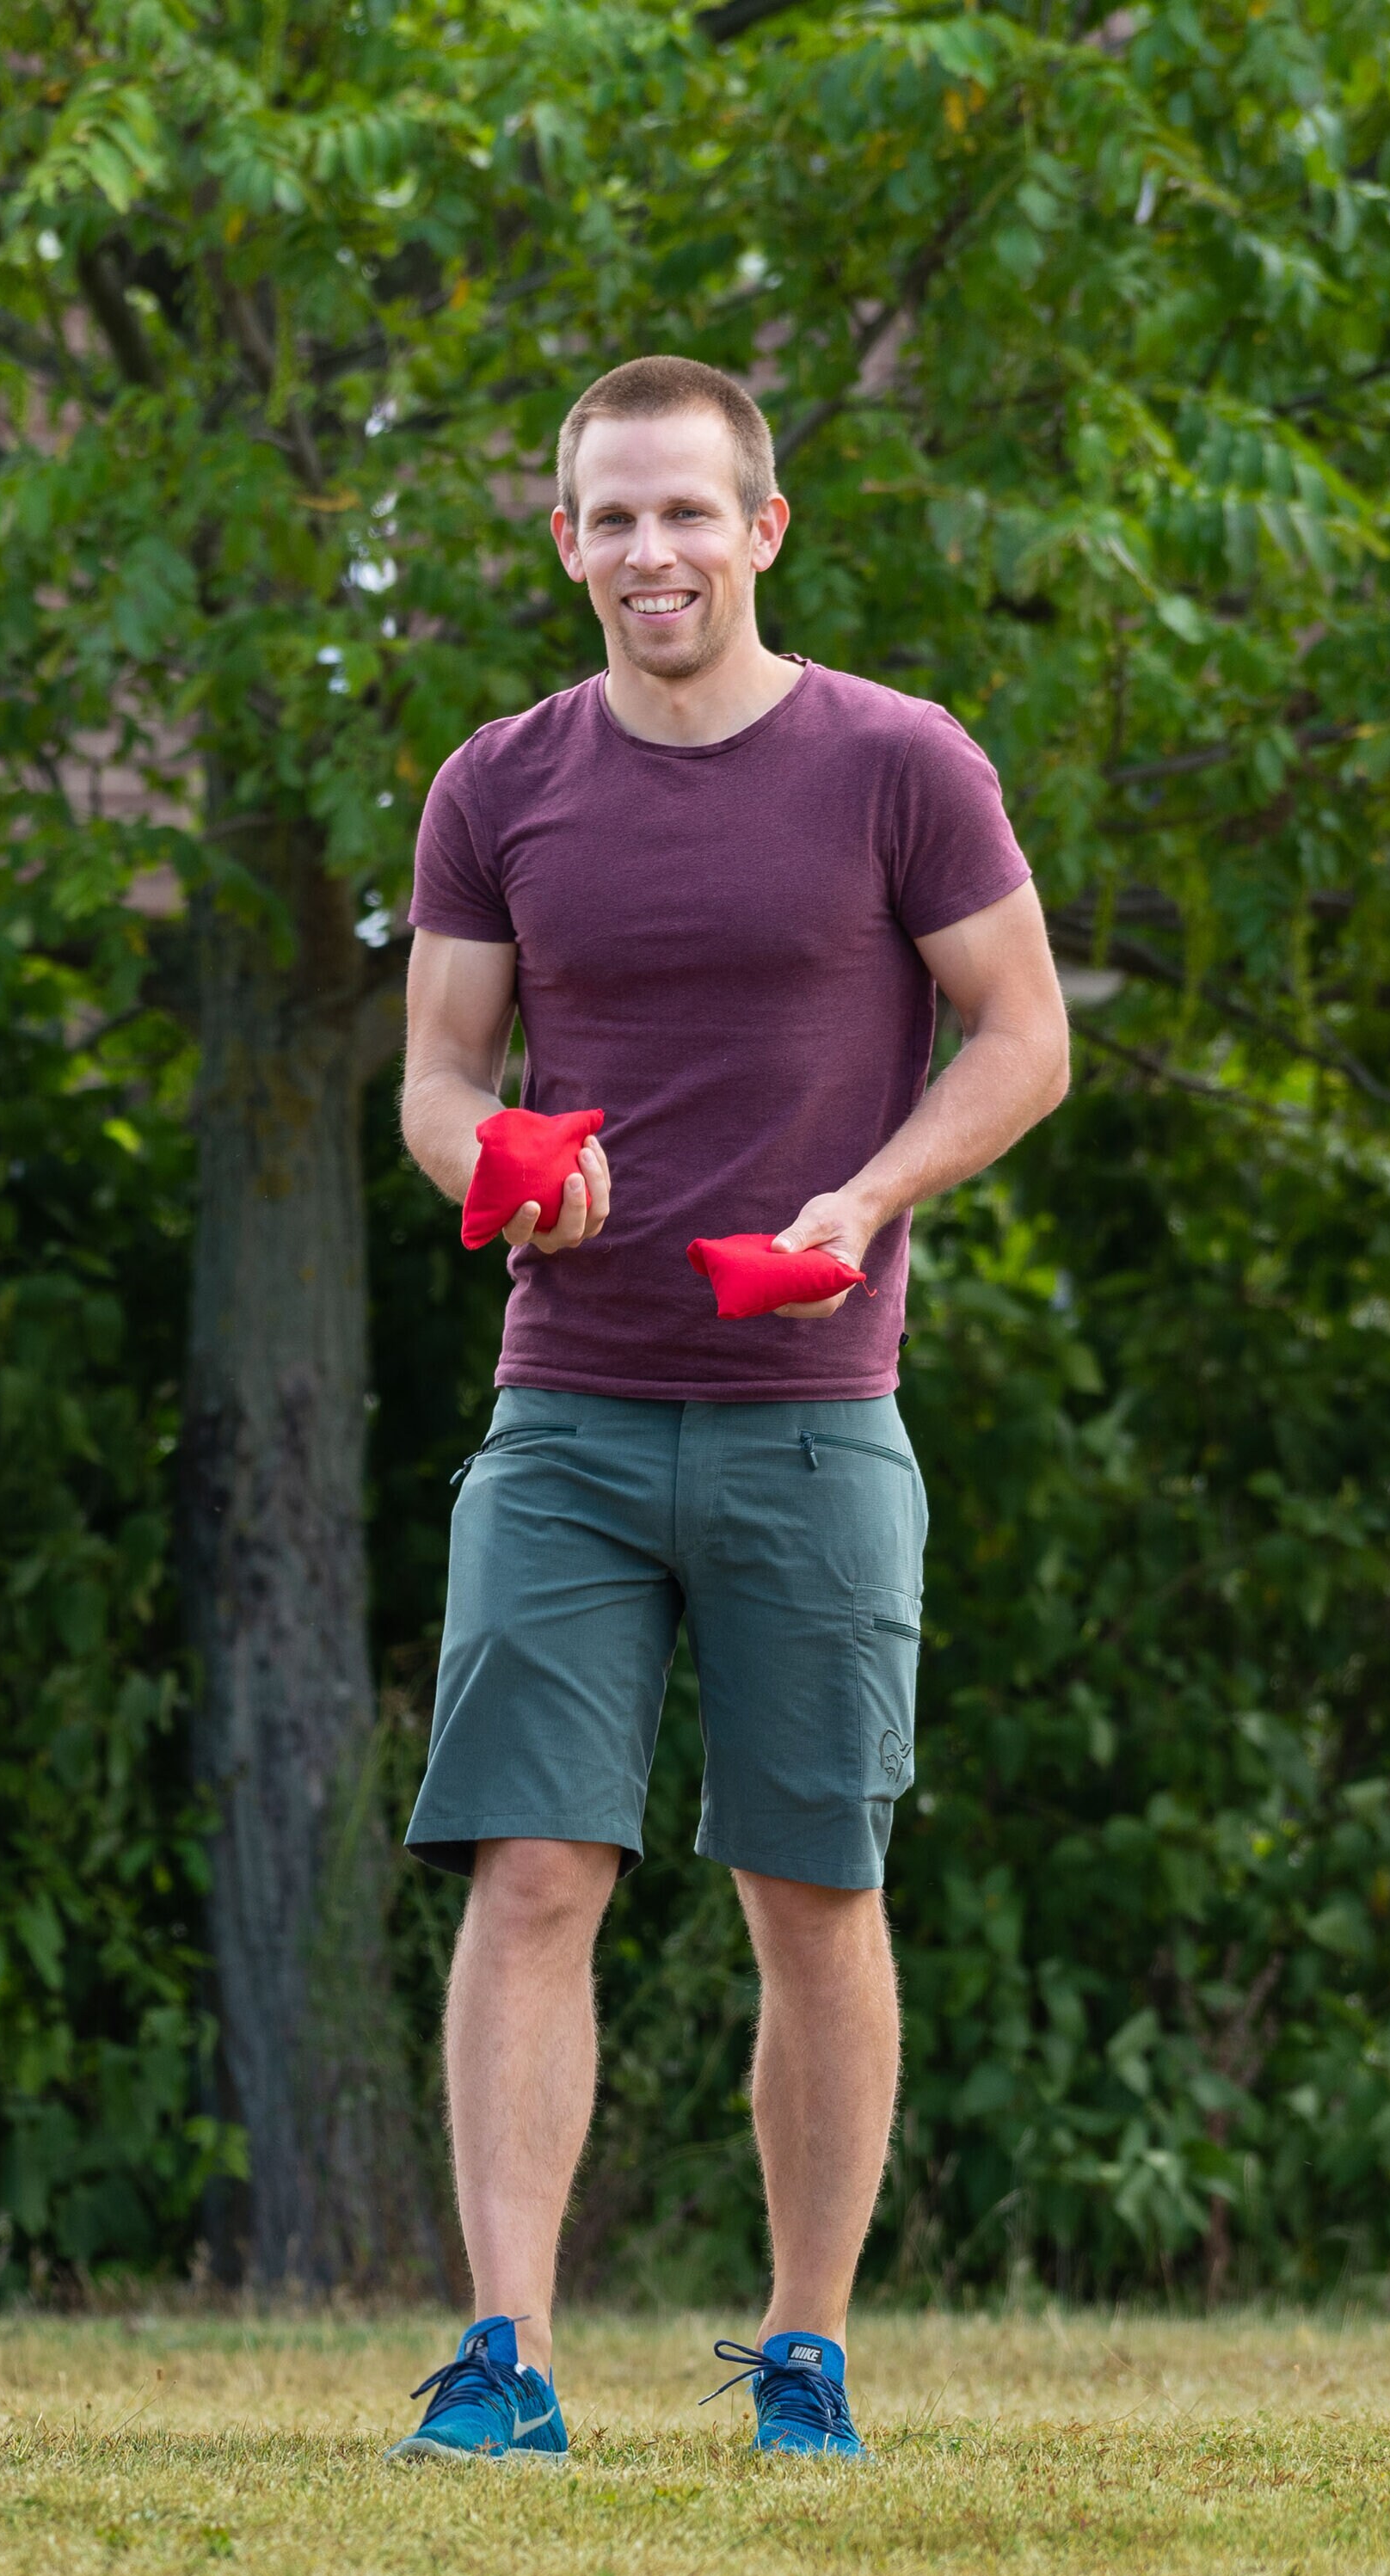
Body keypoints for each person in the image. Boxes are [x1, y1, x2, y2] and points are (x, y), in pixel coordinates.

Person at [388, 357, 1075, 2462]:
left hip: (811, 1412)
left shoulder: (897, 763)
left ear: (760, 530)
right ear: (564, 541)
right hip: (569, 1411)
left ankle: (804, 2354)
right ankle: (504, 2359)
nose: (647, 553)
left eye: (686, 514)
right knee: (531, 1874)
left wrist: (866, 1196)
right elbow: (433, 1079)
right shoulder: (499, 784)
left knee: (812, 1887)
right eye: (610, 518)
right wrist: (501, 1169)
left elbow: (1023, 1037)